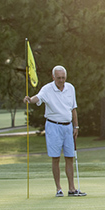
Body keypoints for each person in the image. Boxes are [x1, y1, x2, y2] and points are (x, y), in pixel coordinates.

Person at [24, 65, 86, 197]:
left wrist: (76, 126)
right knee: (56, 158)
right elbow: (38, 98)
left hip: (68, 126)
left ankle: (72, 189)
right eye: (59, 78)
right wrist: (30, 100)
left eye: (63, 77)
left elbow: (73, 108)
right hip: (53, 126)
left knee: (70, 157)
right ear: (53, 77)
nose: (61, 80)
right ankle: (58, 189)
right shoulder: (47, 89)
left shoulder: (70, 88)